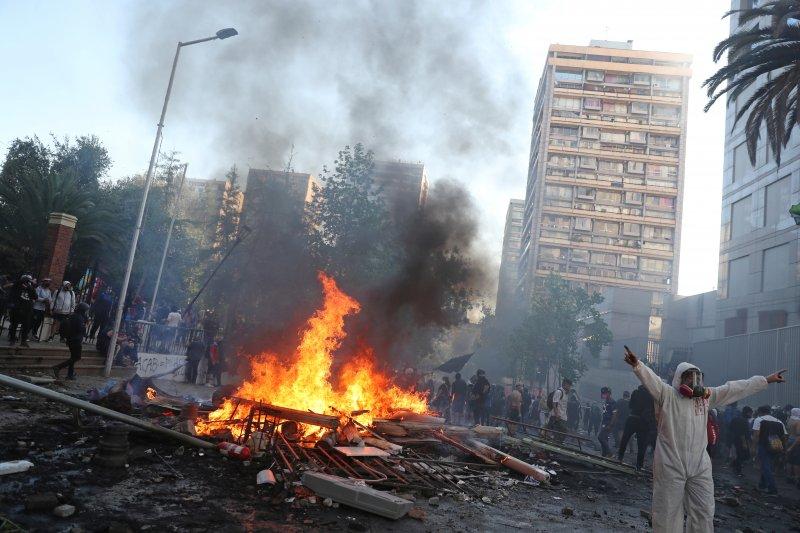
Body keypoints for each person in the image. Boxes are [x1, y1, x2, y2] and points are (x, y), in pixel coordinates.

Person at [624, 346, 786, 532]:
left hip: (700, 464)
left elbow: (734, 388)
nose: (693, 381)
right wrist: (637, 365)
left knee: (704, 510)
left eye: (697, 377)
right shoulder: (667, 395)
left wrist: (766, 380)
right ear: (679, 378)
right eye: (688, 377)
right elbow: (652, 379)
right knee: (667, 511)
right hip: (670, 463)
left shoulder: (705, 398)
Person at [617, 383, 657, 470]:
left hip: (632, 418)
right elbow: (652, 410)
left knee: (625, 439)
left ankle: (619, 458)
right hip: (643, 422)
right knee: (641, 445)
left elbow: (631, 405)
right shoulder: (652, 396)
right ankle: (639, 466)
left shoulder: (635, 392)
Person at [752, 404, 787, 495]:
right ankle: (762, 485)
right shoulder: (779, 421)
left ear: (760, 412)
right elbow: (784, 436)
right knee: (768, 465)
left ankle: (772, 489)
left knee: (766, 466)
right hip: (776, 446)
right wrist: (783, 447)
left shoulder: (759, 419)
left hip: (764, 445)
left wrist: (753, 447)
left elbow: (756, 435)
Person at [52, 302, 88, 380]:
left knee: (73, 357)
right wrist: (84, 328)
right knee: (77, 357)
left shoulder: (73, 316)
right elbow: (80, 329)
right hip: (76, 340)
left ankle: (70, 374)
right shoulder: (80, 318)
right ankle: (58, 367)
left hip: (70, 339)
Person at [7, 275, 37, 347]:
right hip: (17, 309)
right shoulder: (17, 286)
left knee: (26, 326)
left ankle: (23, 341)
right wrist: (24, 281)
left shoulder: (30, 288)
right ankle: (12, 340)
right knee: (14, 325)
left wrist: (29, 287)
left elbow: (35, 296)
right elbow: (15, 284)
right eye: (27, 280)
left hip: (27, 310)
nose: (27, 282)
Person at [546, 378, 572, 443]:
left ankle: (555, 443)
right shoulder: (559, 392)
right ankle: (551, 443)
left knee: (561, 433)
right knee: (558, 431)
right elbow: (554, 403)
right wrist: (557, 414)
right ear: (565, 384)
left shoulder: (566, 393)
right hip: (556, 416)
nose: (570, 387)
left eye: (570, 386)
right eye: (569, 385)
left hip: (562, 417)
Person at [730, 406, 753, 476]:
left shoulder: (736, 419)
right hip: (741, 440)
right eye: (750, 413)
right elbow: (744, 433)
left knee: (739, 455)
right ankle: (738, 471)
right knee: (742, 455)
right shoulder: (744, 421)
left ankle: (735, 466)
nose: (751, 415)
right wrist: (745, 442)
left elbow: (730, 428)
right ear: (747, 413)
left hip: (734, 439)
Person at [597, 386, 617, 457]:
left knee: (600, 437)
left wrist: (610, 424)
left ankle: (609, 453)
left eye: (605, 393)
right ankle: (604, 454)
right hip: (604, 422)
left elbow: (614, 414)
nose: (603, 395)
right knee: (605, 438)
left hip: (608, 423)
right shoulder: (606, 401)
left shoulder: (612, 402)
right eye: (602, 393)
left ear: (609, 393)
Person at [786, 407, 800, 488]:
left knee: (789, 461)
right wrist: (792, 447)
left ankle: (788, 477)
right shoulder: (798, 422)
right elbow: (799, 436)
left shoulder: (789, 420)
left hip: (789, 440)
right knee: (796, 462)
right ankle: (797, 479)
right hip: (796, 443)